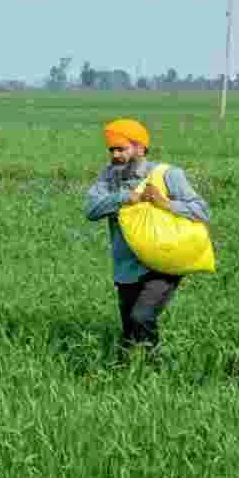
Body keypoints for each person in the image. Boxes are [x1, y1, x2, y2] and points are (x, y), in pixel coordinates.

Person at [83, 118, 210, 352]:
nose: (115, 155)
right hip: (126, 267)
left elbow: (202, 211)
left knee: (141, 317)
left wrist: (165, 203)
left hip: (164, 263)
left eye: (121, 149)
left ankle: (155, 368)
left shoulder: (167, 174)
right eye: (112, 149)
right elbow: (90, 210)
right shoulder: (109, 178)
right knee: (130, 333)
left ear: (140, 149)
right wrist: (123, 198)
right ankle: (132, 376)